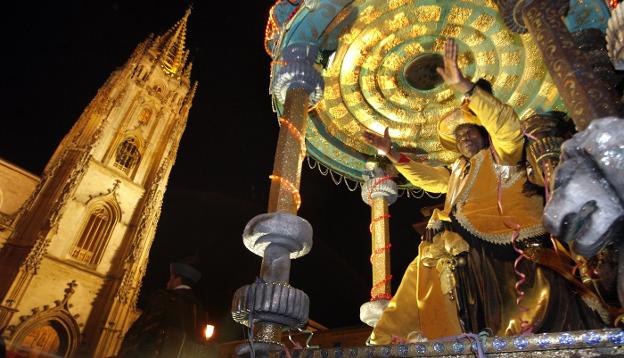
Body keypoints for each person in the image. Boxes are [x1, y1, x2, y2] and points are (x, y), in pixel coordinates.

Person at [363, 38, 605, 344]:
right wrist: (392, 154)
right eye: (459, 135)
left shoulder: (502, 154)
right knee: (426, 263)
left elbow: (507, 127)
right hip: (458, 243)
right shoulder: (456, 171)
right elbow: (426, 178)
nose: (464, 138)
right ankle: (398, 340)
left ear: (482, 133)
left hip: (505, 238)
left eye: (470, 131)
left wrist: (466, 88)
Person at [117, 257, 211, 357]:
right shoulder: (200, 310)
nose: (168, 282)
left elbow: (143, 334)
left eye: (170, 278)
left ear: (177, 279)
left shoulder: (164, 298)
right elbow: (200, 345)